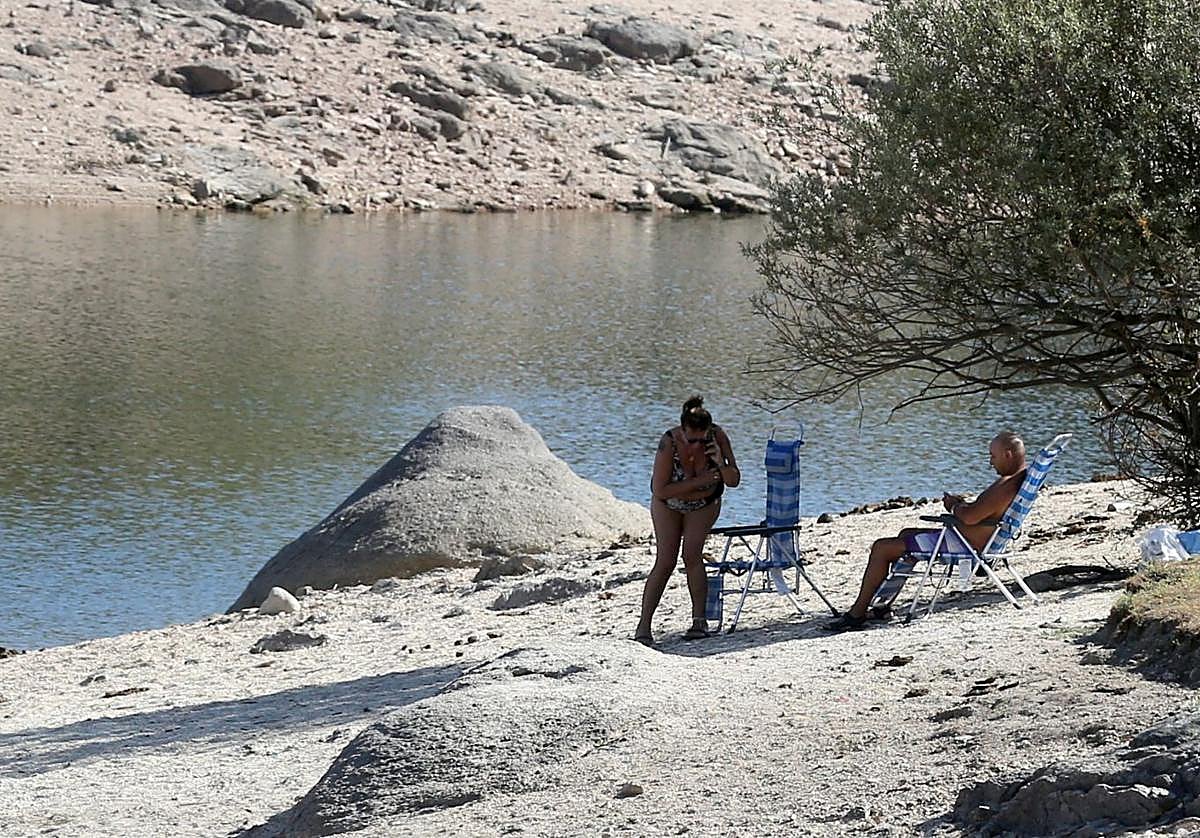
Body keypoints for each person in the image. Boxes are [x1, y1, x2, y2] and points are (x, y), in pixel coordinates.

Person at [827, 430, 1028, 631]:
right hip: (974, 540)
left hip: (965, 545)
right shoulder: (1018, 481)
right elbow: (983, 512)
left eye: (993, 456)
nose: (990, 462)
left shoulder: (1006, 485)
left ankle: (857, 614)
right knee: (906, 534)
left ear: (1008, 454)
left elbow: (969, 517)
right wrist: (964, 505)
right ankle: (882, 606)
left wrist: (953, 506)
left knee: (882, 548)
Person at [635, 396, 740, 645]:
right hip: (668, 505)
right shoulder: (669, 442)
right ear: (682, 431)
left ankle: (699, 621)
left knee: (692, 554)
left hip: (704, 504)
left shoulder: (718, 437)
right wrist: (700, 481)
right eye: (692, 440)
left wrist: (719, 463)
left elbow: (733, 480)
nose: (697, 446)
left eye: (702, 440)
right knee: (665, 561)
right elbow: (661, 489)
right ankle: (643, 626)